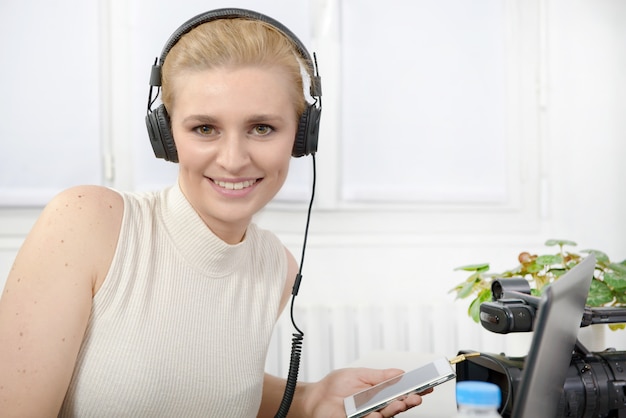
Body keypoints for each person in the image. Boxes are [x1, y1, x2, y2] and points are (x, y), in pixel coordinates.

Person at [0, 9, 427, 417]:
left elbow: (196, 389)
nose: (233, 159)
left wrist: (311, 399)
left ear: (302, 136)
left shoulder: (275, 266)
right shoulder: (87, 223)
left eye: (262, 128)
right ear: (166, 136)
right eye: (205, 128)